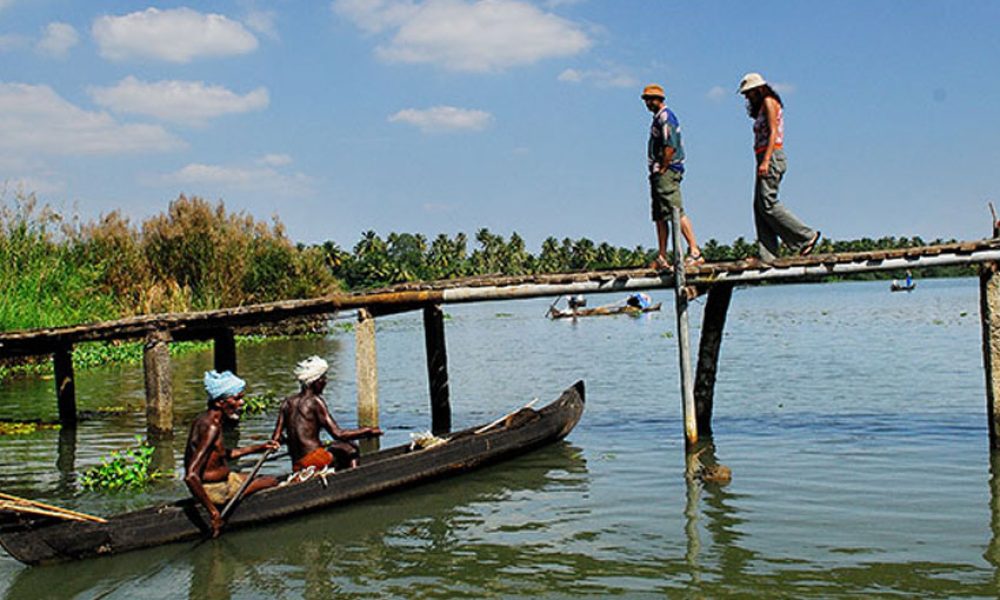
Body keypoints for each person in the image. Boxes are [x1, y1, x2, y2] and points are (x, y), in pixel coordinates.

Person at [184, 370, 280, 538]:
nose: (241, 403)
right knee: (272, 481)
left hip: (224, 480)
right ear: (221, 403)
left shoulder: (205, 420)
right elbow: (191, 476)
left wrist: (260, 447)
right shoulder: (211, 427)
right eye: (236, 399)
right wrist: (213, 513)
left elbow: (224, 455)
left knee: (256, 477)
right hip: (216, 490)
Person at [738, 72, 821, 263]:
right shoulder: (762, 106)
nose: (746, 97)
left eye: (748, 93)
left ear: (758, 89)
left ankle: (806, 236)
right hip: (763, 156)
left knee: (767, 202)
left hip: (771, 155)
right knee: (759, 206)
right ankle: (767, 255)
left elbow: (774, 132)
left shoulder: (769, 101)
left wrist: (766, 160)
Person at [271, 356, 382, 472]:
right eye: (323, 379)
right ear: (317, 381)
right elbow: (339, 434)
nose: (325, 382)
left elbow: (276, 438)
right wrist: (367, 431)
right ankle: (353, 479)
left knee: (337, 446)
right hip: (314, 461)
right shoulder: (315, 402)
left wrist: (289, 439)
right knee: (350, 447)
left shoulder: (287, 403)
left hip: (297, 464)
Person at [641, 83, 704, 271]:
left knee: (675, 209)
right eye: (646, 100)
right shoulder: (658, 118)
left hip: (667, 170)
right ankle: (662, 256)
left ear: (658, 99)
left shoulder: (666, 117)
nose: (647, 103)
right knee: (660, 214)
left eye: (650, 99)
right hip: (658, 171)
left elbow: (670, 145)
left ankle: (694, 251)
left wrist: (664, 167)